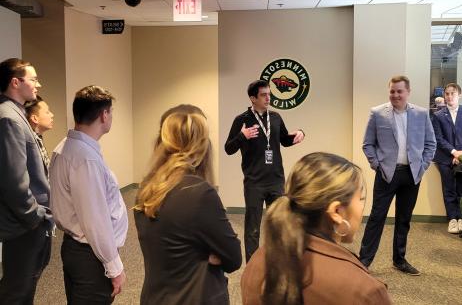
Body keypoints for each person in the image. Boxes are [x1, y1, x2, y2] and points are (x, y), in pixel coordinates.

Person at [241, 152, 391, 305]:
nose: (362, 207)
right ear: (337, 212)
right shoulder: (366, 291)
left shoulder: (258, 261)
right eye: (360, 199)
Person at [134, 106, 242, 305]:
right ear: (201, 146)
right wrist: (210, 254)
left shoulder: (146, 189)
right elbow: (234, 258)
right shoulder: (200, 194)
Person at [49, 85, 128, 304]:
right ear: (104, 115)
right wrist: (115, 269)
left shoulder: (65, 147)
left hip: (78, 249)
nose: (111, 116)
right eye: (111, 112)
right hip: (90, 256)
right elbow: (95, 221)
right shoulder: (85, 159)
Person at [360, 75, 436, 276]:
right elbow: (368, 143)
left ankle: (399, 260)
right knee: (377, 217)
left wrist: (423, 166)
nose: (395, 95)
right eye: (392, 91)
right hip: (387, 174)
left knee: (404, 219)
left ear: (407, 92)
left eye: (399, 91)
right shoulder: (377, 113)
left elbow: (431, 143)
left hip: (412, 175)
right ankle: (364, 262)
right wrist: (377, 165)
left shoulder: (421, 114)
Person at [225, 79, 305, 261]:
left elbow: (285, 140)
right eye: (264, 95)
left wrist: (300, 133)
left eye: (269, 94)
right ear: (253, 98)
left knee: (279, 224)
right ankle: (253, 265)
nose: (268, 98)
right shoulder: (242, 120)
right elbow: (228, 149)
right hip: (254, 182)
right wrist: (242, 136)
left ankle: (278, 263)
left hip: (276, 180)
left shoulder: (275, 117)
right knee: (253, 228)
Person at [0, 58, 52, 304]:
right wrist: (34, 217)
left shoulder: (16, 113)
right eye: (33, 79)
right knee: (17, 291)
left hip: (28, 222)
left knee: (24, 287)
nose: (37, 84)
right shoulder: (8, 118)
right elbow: (13, 181)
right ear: (15, 82)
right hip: (23, 224)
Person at [432, 83, 462, 233]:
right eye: (447, 94)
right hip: (445, 157)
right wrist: (453, 152)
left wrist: (460, 154)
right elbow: (438, 138)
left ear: (459, 95)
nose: (449, 96)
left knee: (460, 189)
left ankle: (461, 218)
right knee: (449, 189)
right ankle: (452, 219)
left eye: (453, 93)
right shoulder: (438, 115)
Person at [25, 95, 54, 172]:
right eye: (47, 112)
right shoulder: (29, 143)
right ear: (35, 118)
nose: (52, 115)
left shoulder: (38, 138)